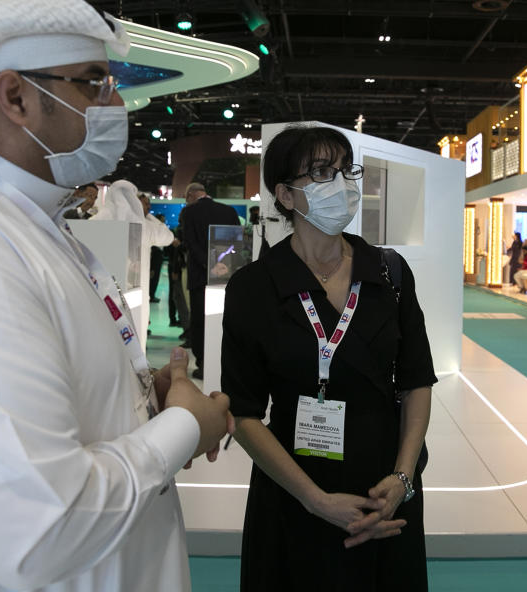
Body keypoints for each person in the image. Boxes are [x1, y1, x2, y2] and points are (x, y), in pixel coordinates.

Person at [0, 0, 235, 591]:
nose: (115, 104)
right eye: (91, 82)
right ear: (16, 96)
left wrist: (142, 404)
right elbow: (40, 532)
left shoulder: (31, 225)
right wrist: (184, 426)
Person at [222, 126, 436, 591]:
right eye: (321, 172)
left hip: (385, 490)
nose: (340, 184)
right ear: (285, 194)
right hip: (295, 491)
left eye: (345, 170)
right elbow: (242, 412)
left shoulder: (388, 273)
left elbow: (417, 380)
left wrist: (402, 477)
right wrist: (316, 500)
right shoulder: (254, 289)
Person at [180, 181, 240, 378]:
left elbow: (189, 242)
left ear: (190, 195)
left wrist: (208, 265)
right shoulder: (229, 211)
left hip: (200, 276)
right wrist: (221, 267)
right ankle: (223, 362)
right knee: (225, 317)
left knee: (199, 320)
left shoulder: (189, 212)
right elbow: (236, 242)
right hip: (226, 275)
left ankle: (203, 364)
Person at [139, 193, 174, 302]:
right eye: (145, 204)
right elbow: (168, 236)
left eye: (149, 204)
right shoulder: (146, 224)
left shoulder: (147, 223)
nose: (148, 207)